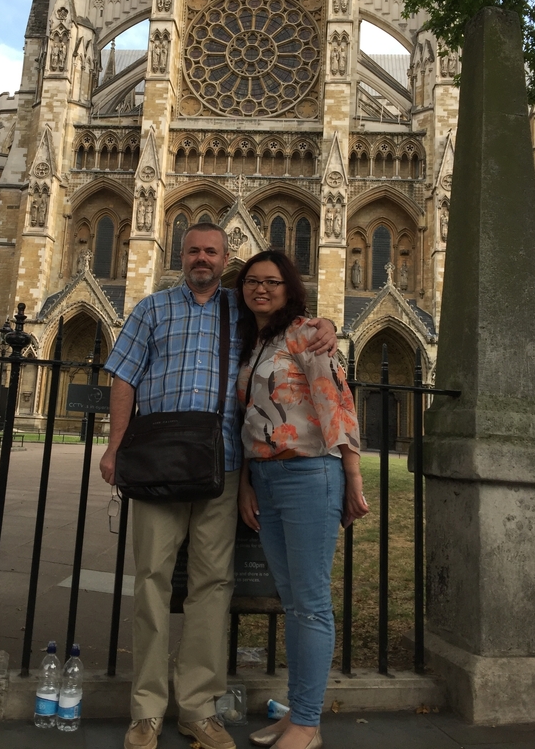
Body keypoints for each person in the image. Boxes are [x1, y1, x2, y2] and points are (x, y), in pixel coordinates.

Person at [99, 224, 337, 749]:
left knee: (212, 587)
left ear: (225, 258)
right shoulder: (151, 309)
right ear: (179, 255)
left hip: (223, 465)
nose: (201, 258)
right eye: (193, 251)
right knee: (152, 583)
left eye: (211, 251)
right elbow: (123, 376)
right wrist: (115, 446)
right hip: (158, 463)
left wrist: (326, 324)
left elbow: (294, 337)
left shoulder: (243, 311)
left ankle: (199, 707)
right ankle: (146, 710)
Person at [236, 250, 369, 749]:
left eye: (271, 281)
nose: (261, 288)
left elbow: (337, 404)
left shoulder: (307, 334)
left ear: (291, 288)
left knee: (310, 604)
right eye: (252, 281)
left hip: (311, 473)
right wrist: (248, 481)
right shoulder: (254, 344)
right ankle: (298, 712)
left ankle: (308, 725)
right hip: (268, 479)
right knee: (293, 603)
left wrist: (352, 477)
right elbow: (251, 420)